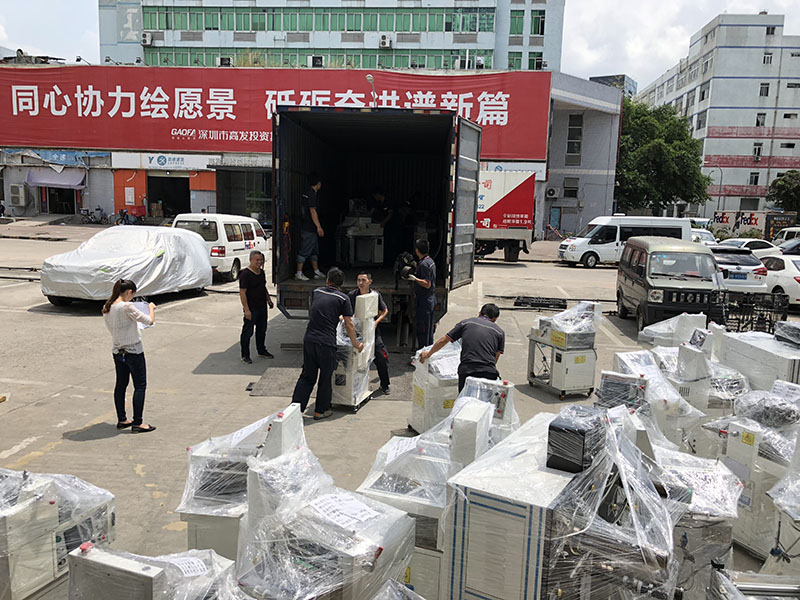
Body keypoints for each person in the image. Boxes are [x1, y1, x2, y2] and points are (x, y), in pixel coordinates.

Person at [292, 267, 364, 420]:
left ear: (327, 280)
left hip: (309, 339)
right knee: (325, 377)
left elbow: (320, 310)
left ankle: (294, 411)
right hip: (326, 343)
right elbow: (349, 324)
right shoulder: (343, 299)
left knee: (307, 376)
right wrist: (355, 343)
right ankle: (320, 411)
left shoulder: (317, 292)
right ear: (341, 284)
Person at [102, 279, 157, 433]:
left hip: (118, 351)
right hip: (133, 351)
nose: (132, 298)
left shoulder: (107, 307)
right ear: (128, 292)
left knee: (121, 385)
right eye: (132, 295)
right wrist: (151, 308)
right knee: (140, 386)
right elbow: (149, 321)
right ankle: (138, 422)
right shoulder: (127, 307)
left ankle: (122, 419)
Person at [419, 303, 505, 391]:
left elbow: (444, 340)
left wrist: (428, 354)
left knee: (464, 397)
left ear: (479, 313)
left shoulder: (466, 323)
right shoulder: (500, 332)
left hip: (467, 370)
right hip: (489, 372)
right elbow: (496, 357)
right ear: (495, 319)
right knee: (486, 398)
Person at [348, 271, 391, 394]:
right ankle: (356, 388)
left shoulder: (375, 295)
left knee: (381, 357)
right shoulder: (352, 295)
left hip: (372, 332)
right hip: (357, 332)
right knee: (356, 360)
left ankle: (385, 385)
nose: (360, 283)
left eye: (363, 280)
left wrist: (376, 322)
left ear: (370, 282)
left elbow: (385, 310)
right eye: (358, 280)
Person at [239, 250, 275, 364]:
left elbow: (263, 287)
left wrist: (268, 299)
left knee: (261, 330)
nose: (259, 262)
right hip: (251, 308)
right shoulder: (245, 274)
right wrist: (247, 310)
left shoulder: (261, 272)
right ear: (251, 260)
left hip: (262, 307)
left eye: (261, 260)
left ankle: (261, 350)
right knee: (247, 332)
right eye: (257, 260)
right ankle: (245, 355)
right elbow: (242, 293)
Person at [295, 173, 325, 281]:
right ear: (318, 183)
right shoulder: (311, 194)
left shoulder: (306, 193)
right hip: (309, 227)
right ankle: (299, 273)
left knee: (314, 251)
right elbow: (312, 211)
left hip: (307, 226)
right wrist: (319, 226)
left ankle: (316, 271)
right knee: (305, 250)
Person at [408, 238, 436, 349]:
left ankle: (422, 353)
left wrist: (415, 279)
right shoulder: (429, 261)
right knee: (428, 329)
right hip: (430, 298)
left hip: (424, 301)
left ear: (417, 250)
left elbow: (427, 284)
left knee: (423, 330)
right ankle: (428, 352)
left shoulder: (424, 264)